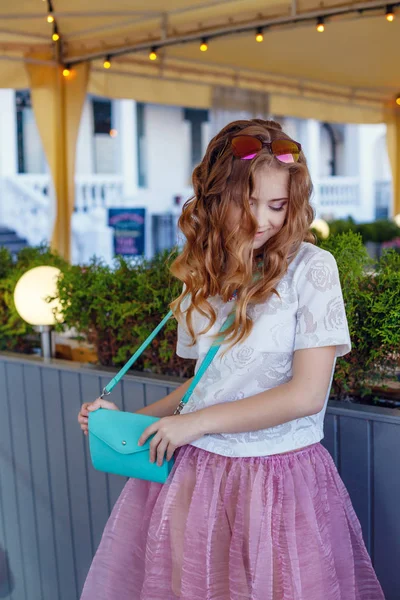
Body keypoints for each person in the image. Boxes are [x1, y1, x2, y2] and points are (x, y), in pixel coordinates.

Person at [78, 119, 385, 600]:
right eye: (249, 203)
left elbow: (305, 396)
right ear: (217, 199)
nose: (264, 220)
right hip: (196, 476)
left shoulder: (313, 268)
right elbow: (205, 385)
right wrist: (130, 425)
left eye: (278, 205)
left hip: (278, 478)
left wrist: (193, 425)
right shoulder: (201, 275)